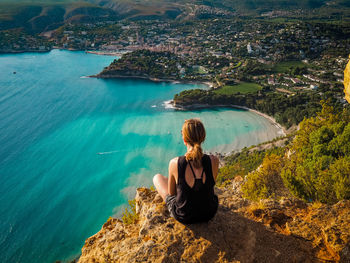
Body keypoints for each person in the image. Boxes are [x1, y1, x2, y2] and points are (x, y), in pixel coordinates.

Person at [153, 118, 219, 224]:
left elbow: (172, 193)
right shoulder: (214, 161)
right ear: (203, 138)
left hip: (184, 216)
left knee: (157, 177)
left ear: (184, 139)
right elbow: (210, 186)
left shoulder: (175, 163)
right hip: (209, 213)